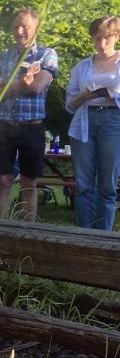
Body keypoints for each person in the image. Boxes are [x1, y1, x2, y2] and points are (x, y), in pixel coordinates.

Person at [0, 9, 58, 221]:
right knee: (3, 180)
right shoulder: (3, 55)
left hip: (31, 125)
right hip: (4, 125)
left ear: (36, 27)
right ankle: (2, 227)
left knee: (29, 181)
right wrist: (20, 84)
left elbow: (36, 87)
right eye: (16, 26)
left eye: (25, 26)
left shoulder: (47, 54)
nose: (19, 31)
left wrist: (6, 86)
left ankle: (29, 230)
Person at [66, 15, 120, 230]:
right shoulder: (81, 67)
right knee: (84, 184)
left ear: (116, 36)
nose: (102, 43)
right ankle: (83, 235)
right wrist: (86, 96)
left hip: (114, 120)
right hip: (84, 120)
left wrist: (113, 96)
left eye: (107, 38)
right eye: (97, 38)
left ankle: (102, 237)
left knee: (107, 184)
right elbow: (69, 104)